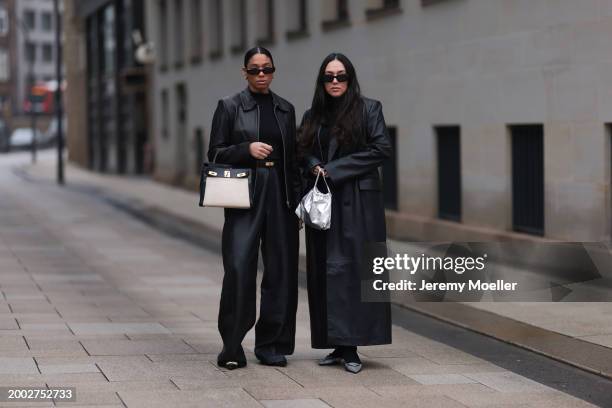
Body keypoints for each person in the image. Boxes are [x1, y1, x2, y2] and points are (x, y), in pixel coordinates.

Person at [297, 52, 392, 374]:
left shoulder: (369, 109)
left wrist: (333, 170)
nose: (335, 82)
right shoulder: (313, 115)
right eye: (329, 76)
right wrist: (313, 166)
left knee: (354, 272)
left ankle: (352, 346)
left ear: (350, 79)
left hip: (358, 204)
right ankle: (336, 343)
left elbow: (381, 149)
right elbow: (303, 151)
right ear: (322, 81)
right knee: (325, 271)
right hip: (324, 203)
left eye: (340, 76)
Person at [207, 46, 301, 370]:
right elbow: (215, 154)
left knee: (281, 271)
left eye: (267, 69)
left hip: (282, 194)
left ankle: (271, 344)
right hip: (244, 194)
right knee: (238, 268)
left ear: (273, 71)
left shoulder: (286, 110)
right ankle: (232, 347)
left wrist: (298, 202)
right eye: (255, 69)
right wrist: (246, 149)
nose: (261, 75)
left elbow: (295, 160)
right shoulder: (229, 107)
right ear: (244, 72)